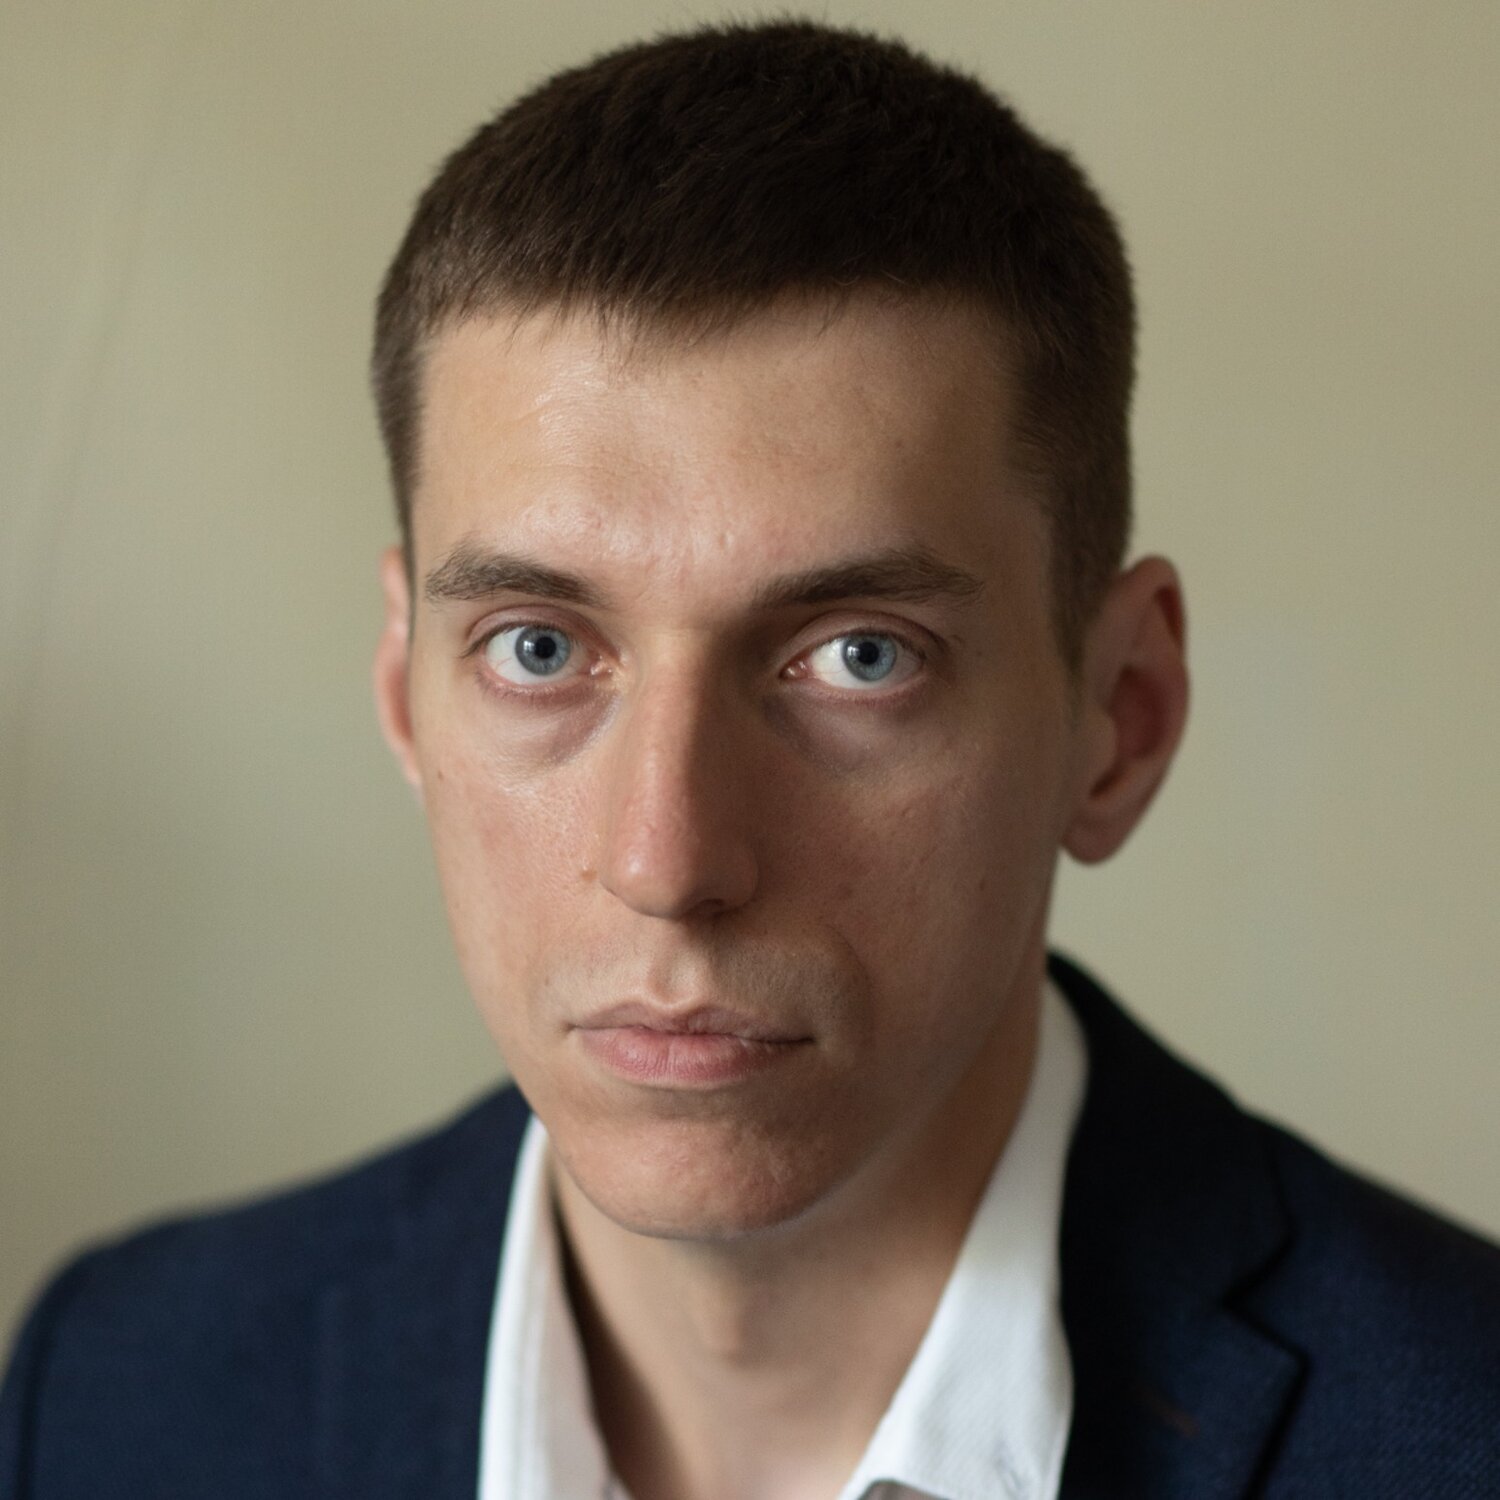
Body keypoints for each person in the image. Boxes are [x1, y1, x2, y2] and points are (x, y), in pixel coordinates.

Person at [3, 18, 1497, 1499]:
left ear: (1122, 718)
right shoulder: (121, 1397)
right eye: (539, 648)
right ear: (404, 689)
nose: (668, 860)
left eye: (860, 657)